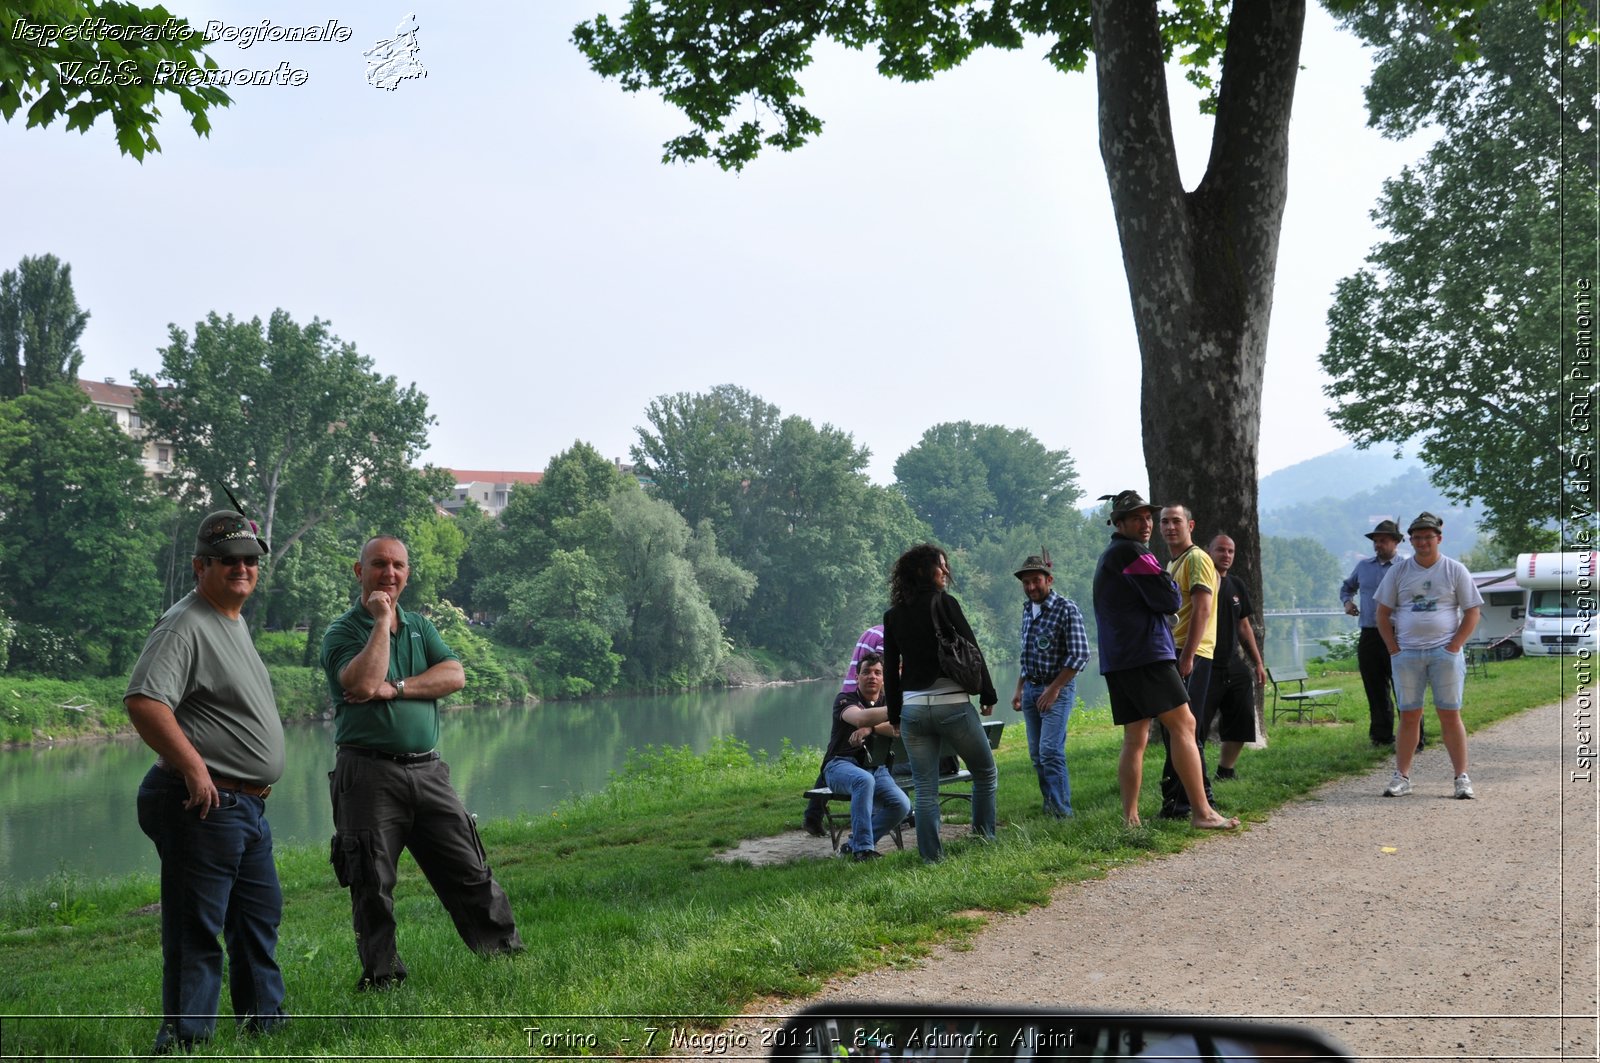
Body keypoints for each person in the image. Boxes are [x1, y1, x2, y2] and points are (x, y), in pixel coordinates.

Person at [320, 535, 523, 990]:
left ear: (407, 573)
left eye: (397, 566)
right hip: (367, 774)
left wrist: (398, 688)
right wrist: (382, 620)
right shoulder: (343, 631)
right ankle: (383, 977)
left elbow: (454, 675)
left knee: (468, 866)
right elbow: (364, 680)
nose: (389, 574)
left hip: (428, 771)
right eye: (378, 565)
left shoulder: (421, 628)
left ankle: (504, 952)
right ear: (359, 571)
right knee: (371, 881)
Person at [126, 510, 288, 1053]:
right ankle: (184, 1040)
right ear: (201, 566)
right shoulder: (186, 622)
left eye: (249, 560)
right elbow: (146, 701)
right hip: (204, 801)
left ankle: (266, 1028)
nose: (242, 568)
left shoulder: (231, 618)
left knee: (257, 922)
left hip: (246, 808)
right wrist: (196, 769)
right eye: (228, 561)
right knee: (196, 932)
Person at [1091, 490, 1237, 830]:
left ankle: (1131, 818)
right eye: (1138, 518)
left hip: (1119, 659)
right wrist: (1165, 590)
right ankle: (1201, 812)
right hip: (1147, 655)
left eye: (1147, 517)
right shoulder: (1132, 552)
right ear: (1119, 523)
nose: (1146, 524)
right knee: (1184, 724)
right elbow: (1171, 598)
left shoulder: (1110, 555)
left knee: (1136, 737)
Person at [882, 543, 999, 861]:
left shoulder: (893, 616)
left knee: (925, 788)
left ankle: (931, 858)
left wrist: (895, 714)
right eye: (941, 566)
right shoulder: (945, 604)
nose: (946, 572)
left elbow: (890, 670)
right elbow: (972, 650)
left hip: (914, 712)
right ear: (923, 571)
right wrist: (987, 695)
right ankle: (985, 840)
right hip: (952, 706)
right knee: (985, 773)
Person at [1374, 512, 1483, 799]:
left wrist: (1455, 645)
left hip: (1444, 652)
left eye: (1428, 537)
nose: (1422, 542)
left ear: (1439, 539)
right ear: (1410, 540)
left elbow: (1472, 611)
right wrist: (1393, 649)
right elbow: (1382, 614)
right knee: (1409, 715)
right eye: (1417, 538)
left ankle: (1461, 777)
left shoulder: (1454, 570)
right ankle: (1402, 777)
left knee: (1450, 714)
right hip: (1407, 653)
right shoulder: (1398, 572)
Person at [1010, 554, 1089, 818]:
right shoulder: (1026, 610)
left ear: (1049, 580)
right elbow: (1027, 654)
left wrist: (1054, 689)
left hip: (1057, 690)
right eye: (1026, 583)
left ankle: (1062, 813)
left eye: (1036, 581)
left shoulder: (1066, 608)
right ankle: (1050, 805)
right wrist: (1019, 689)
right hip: (1031, 689)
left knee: (1050, 751)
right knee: (1036, 754)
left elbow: (1079, 655)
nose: (1031, 587)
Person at [1340, 519, 1426, 751]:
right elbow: (1347, 587)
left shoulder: (1408, 567)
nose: (1378, 545)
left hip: (1400, 634)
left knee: (1406, 686)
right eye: (1375, 541)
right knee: (1374, 687)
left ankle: (1416, 737)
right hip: (1369, 634)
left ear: (1396, 542)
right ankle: (1381, 736)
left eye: (1383, 541)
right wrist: (1348, 602)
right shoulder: (1363, 567)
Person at [1156, 503, 1218, 819]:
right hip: (1175, 651)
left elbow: (1203, 609)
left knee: (1183, 731)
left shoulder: (1196, 559)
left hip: (1190, 654)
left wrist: (1188, 656)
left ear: (1190, 525)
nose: (1169, 527)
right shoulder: (1173, 562)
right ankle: (1189, 799)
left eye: (1176, 521)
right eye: (1164, 521)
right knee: (1178, 731)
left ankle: (1188, 802)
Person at [820, 654, 911, 860]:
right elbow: (859, 718)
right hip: (839, 765)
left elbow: (898, 729)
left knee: (901, 805)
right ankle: (863, 850)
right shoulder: (845, 699)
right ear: (857, 677)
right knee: (863, 780)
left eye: (878, 673)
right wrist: (893, 711)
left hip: (875, 767)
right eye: (866, 672)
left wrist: (870, 728)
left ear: (883, 678)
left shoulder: (886, 702)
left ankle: (852, 846)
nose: (872, 677)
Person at [804, 624, 885, 836]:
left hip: (858, 692)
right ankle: (814, 816)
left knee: (840, 752)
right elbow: (884, 669)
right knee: (844, 753)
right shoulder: (889, 638)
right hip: (861, 699)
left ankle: (813, 816)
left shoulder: (875, 630)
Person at [1204, 535, 1267, 780]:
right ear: (1208, 551)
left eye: (1231, 551)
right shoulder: (1201, 582)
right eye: (1220, 550)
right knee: (1196, 725)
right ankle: (1193, 775)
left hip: (1233, 663)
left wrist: (1258, 662)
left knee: (1242, 721)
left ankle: (1225, 770)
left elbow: (1244, 626)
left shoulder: (1236, 585)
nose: (1226, 555)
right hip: (1205, 663)